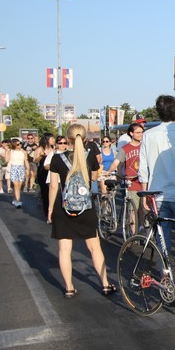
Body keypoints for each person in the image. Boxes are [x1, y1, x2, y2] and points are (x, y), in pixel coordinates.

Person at [47, 123, 116, 298]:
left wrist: (50, 209)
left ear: (67, 139)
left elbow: (53, 186)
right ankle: (105, 284)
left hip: (64, 208)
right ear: (84, 139)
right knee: (94, 247)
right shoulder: (90, 156)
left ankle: (69, 288)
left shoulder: (57, 159)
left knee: (64, 249)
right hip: (86, 208)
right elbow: (94, 178)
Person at [138, 95, 175, 253]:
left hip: (157, 193)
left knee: (163, 239)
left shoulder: (148, 135)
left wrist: (145, 193)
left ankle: (165, 267)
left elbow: (143, 168)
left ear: (158, 111)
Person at [111, 122, 145, 235]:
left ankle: (142, 231)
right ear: (131, 133)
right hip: (132, 183)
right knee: (133, 210)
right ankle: (134, 235)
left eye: (142, 132)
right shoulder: (125, 149)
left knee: (144, 210)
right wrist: (109, 172)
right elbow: (116, 162)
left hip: (145, 183)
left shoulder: (145, 146)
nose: (141, 134)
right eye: (138, 132)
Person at [36, 133, 56, 215]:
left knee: (53, 191)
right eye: (51, 139)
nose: (53, 140)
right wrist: (41, 156)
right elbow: (35, 160)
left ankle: (53, 210)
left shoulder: (54, 148)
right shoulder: (41, 148)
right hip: (43, 172)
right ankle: (47, 211)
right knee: (45, 191)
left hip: (52, 171)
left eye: (53, 138)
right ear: (46, 139)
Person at [7, 138, 28, 208]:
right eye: (18, 144)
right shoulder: (11, 151)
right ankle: (18, 201)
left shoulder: (23, 152)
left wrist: (27, 169)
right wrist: (7, 151)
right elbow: (6, 160)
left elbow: (26, 160)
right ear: (14, 145)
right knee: (16, 185)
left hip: (21, 168)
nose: (20, 145)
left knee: (19, 186)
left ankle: (15, 199)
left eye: (20, 143)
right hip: (14, 168)